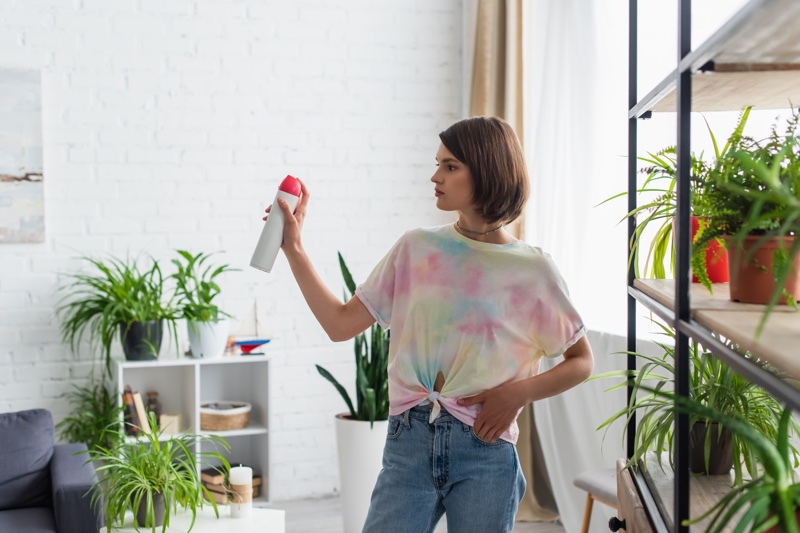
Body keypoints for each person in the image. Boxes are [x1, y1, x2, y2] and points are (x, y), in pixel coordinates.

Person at [266, 116, 594, 533]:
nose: (435, 176)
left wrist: (517, 394)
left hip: (485, 447)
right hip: (410, 440)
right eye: (438, 163)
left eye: (451, 166)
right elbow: (340, 324)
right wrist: (293, 248)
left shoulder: (533, 270)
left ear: (488, 171)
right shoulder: (415, 248)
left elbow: (581, 361)